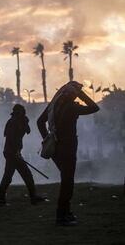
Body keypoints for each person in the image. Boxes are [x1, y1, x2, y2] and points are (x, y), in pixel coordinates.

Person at [37, 81, 99, 226]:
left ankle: (66, 212)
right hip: (68, 148)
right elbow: (95, 107)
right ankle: (61, 215)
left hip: (56, 148)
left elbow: (40, 122)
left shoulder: (53, 105)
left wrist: (48, 138)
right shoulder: (72, 107)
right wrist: (82, 95)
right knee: (67, 182)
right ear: (74, 94)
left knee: (67, 180)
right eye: (77, 93)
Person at [0, 104, 45, 206]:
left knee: (12, 176)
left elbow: (27, 131)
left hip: (14, 152)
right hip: (12, 153)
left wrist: (25, 121)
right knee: (22, 175)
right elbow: (12, 139)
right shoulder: (12, 123)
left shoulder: (19, 121)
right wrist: (16, 152)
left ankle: (1, 198)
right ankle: (32, 197)